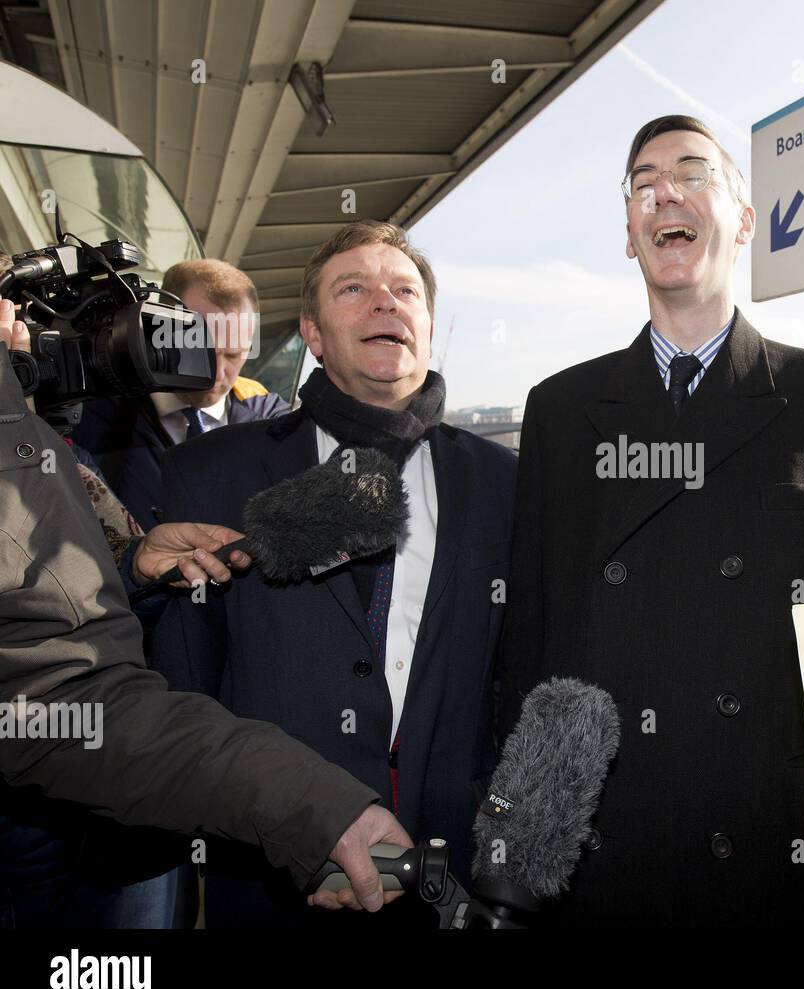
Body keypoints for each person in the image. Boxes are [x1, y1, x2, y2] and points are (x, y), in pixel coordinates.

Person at [497, 115, 804, 928]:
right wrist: (518, 824)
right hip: (599, 835)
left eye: (692, 173)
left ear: (745, 221)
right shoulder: (561, 409)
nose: (665, 193)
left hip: (764, 826)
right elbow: (529, 635)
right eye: (643, 184)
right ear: (629, 233)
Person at [151, 221, 516, 926]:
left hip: (450, 881)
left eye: (404, 289)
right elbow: (185, 696)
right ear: (313, 335)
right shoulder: (211, 473)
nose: (385, 302)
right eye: (355, 288)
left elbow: (515, 684)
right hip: (270, 880)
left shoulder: (505, 484)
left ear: (429, 329)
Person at [0, 333, 411, 926]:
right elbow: (61, 694)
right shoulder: (152, 447)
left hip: (125, 801)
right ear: (313, 329)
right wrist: (318, 811)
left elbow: (52, 625)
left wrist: (131, 566)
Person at [73, 259, 288, 526]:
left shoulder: (272, 419)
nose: (217, 374)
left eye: (233, 355)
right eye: (202, 352)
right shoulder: (93, 416)